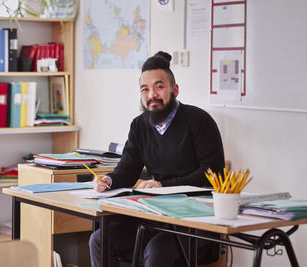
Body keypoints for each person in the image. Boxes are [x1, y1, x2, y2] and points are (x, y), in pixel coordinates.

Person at [89, 51, 225, 267]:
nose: (152, 94)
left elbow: (213, 175)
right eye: (145, 89)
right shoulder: (139, 125)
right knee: (99, 240)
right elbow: (127, 169)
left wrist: (163, 186)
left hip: (196, 219)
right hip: (155, 214)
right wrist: (109, 181)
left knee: (155, 250)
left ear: (175, 90)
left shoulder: (199, 121)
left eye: (159, 87)